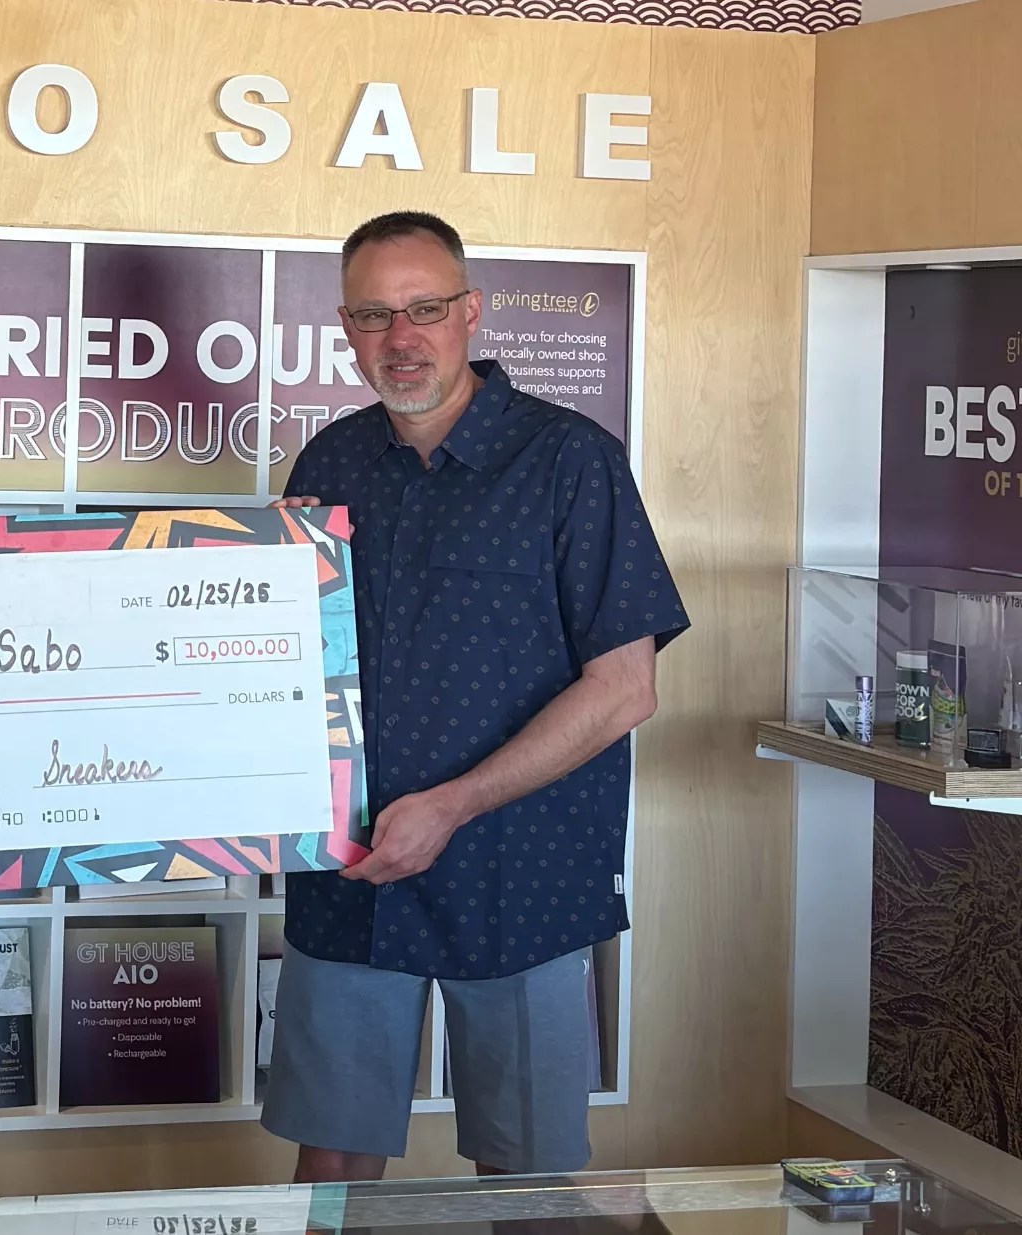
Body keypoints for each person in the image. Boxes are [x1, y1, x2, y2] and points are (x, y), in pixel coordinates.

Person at [262, 212, 687, 1181]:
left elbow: (624, 690)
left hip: (520, 874)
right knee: (330, 1170)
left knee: (526, 1176)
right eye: (374, 315)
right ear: (345, 326)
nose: (400, 338)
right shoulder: (328, 463)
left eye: (424, 308)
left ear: (470, 311)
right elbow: (284, 663)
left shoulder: (570, 460)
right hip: (352, 870)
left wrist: (451, 805)